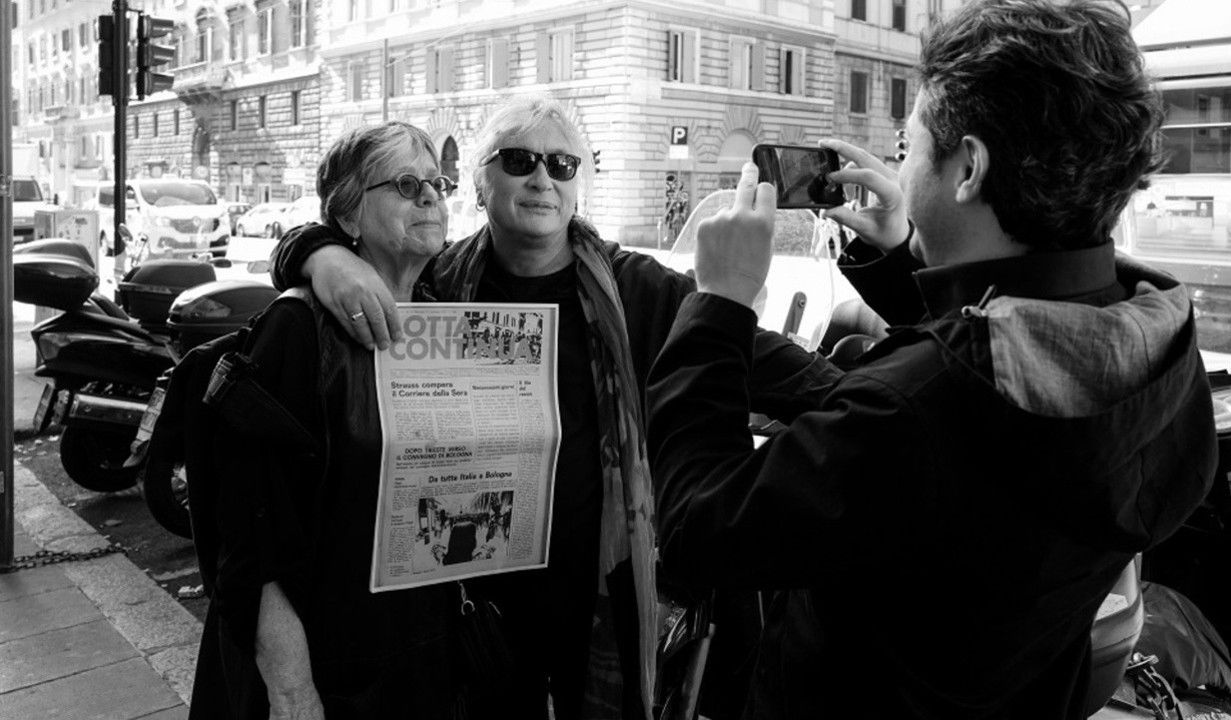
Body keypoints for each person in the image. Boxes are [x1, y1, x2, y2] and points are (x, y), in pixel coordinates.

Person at [646, 1, 1218, 718]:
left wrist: (720, 302)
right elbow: (1012, 363)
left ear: (968, 166)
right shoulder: (1160, 345)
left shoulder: (909, 413)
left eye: (908, 146)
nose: (900, 165)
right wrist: (906, 253)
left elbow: (699, 527)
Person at [268, 95, 840, 720]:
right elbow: (345, 239)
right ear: (479, 184)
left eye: (563, 165)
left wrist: (877, 395)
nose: (543, 178)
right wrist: (318, 254)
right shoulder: (438, 283)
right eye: (519, 160)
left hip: (596, 593)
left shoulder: (636, 287)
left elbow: (776, 366)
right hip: (473, 596)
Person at [190, 121, 465, 718]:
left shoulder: (447, 313)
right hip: (323, 666)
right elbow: (249, 530)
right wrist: (292, 689)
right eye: (406, 184)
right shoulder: (298, 326)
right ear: (346, 215)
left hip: (417, 657)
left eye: (438, 184)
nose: (429, 197)